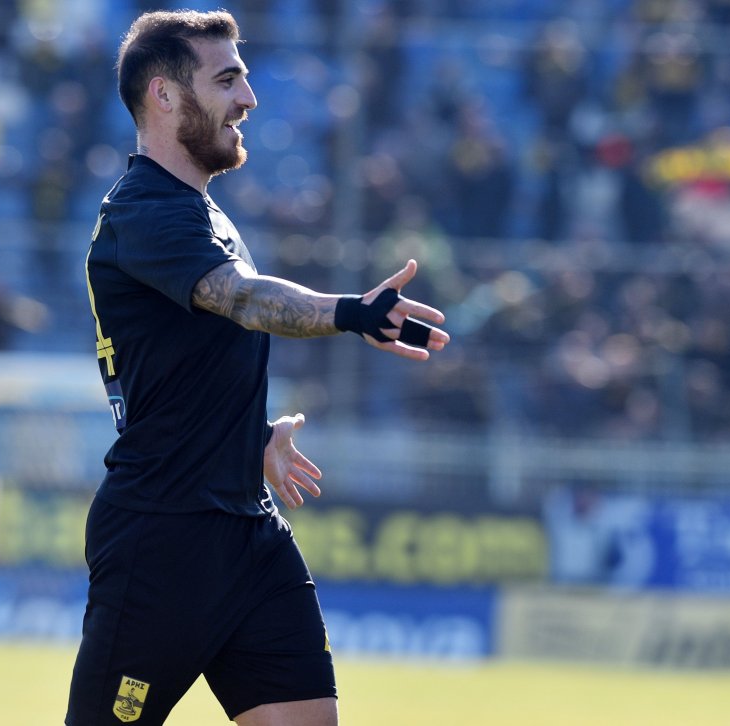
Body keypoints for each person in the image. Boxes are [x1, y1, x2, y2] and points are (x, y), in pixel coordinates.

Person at [66, 9, 449, 726]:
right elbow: (241, 299)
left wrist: (247, 435)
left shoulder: (202, 214)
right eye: (227, 80)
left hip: (248, 531)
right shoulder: (144, 213)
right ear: (164, 95)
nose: (249, 98)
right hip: (164, 537)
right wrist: (350, 312)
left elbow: (184, 365)